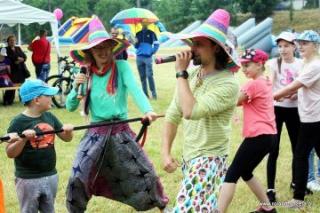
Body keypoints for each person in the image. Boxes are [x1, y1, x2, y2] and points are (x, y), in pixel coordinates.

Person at [66, 17, 168, 212]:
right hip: (94, 134)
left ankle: (162, 205)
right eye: (97, 48)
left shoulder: (121, 67)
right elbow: (70, 106)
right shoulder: (86, 74)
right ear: (90, 52)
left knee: (147, 174)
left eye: (106, 47)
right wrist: (75, 86)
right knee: (77, 177)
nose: (103, 52)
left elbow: (135, 89)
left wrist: (147, 110)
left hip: (120, 132)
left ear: (113, 48)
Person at [161, 9, 240, 213]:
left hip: (210, 159)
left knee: (186, 209)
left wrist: (180, 73)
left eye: (199, 44)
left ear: (215, 48)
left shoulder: (228, 84)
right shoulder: (193, 75)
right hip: (191, 156)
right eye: (192, 44)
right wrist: (165, 152)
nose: (192, 49)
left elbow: (190, 111)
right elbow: (173, 114)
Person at [218, 49, 277, 213]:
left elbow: (233, 101)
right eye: (242, 65)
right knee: (245, 171)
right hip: (269, 136)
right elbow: (239, 102)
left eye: (247, 65)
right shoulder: (265, 81)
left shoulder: (253, 84)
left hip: (259, 136)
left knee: (232, 174)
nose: (243, 69)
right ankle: (267, 208)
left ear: (259, 64)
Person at [6, 79, 74, 213]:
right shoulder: (19, 122)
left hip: (50, 175)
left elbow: (66, 138)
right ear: (37, 100)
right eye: (48, 95)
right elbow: (10, 153)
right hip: (27, 179)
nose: (51, 98)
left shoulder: (49, 117)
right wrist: (23, 139)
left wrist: (69, 132)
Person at [273, 30, 320, 209]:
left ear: (315, 46)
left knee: (300, 155)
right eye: (299, 43)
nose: (300, 46)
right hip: (311, 116)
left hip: (314, 118)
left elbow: (295, 84)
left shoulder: (315, 65)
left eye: (305, 43)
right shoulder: (308, 64)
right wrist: (290, 95)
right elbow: (301, 87)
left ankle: (298, 198)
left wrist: (273, 96)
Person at [265, 31, 303, 202]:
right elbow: (271, 84)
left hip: (295, 110)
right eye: (280, 46)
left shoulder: (301, 64)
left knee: (297, 148)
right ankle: (270, 189)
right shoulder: (274, 63)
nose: (282, 49)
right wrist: (276, 94)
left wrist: (294, 94)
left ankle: (296, 183)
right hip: (277, 109)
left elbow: (303, 85)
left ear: (294, 46)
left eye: (286, 46)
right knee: (273, 149)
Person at [135, 19, 159, 99]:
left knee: (149, 75)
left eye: (146, 23)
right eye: (143, 23)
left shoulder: (152, 33)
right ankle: (145, 95)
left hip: (148, 57)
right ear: (141, 24)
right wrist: (135, 42)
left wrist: (151, 51)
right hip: (139, 57)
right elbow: (136, 46)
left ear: (148, 24)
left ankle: (154, 94)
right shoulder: (137, 34)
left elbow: (156, 44)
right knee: (142, 77)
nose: (144, 24)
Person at [5, 35, 29, 105]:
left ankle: (24, 99)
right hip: (11, 70)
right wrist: (17, 59)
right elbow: (7, 58)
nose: (12, 42)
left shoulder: (18, 48)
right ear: (8, 42)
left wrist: (22, 59)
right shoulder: (5, 49)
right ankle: (8, 101)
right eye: (11, 40)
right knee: (11, 86)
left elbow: (24, 56)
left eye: (14, 40)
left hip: (21, 70)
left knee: (22, 86)